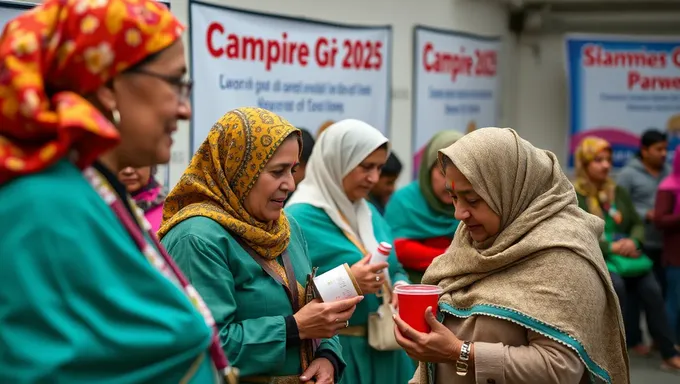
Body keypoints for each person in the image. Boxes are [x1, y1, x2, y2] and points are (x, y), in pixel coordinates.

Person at [0, 0, 235, 382]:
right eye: (175, 83)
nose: (185, 109)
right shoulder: (43, 206)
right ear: (109, 86)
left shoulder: (93, 192)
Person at [395, 128, 628, 384]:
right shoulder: (473, 241)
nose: (459, 214)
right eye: (454, 198)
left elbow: (560, 369)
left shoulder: (563, 256)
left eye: (472, 200)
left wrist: (458, 352)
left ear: (509, 189)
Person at [159, 107, 358, 384]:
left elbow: (311, 307)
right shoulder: (197, 239)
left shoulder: (285, 227)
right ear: (239, 169)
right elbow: (205, 345)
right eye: (277, 172)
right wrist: (294, 328)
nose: (289, 183)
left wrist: (327, 356)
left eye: (293, 170)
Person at [286, 119, 415, 384]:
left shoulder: (367, 212)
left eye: (379, 167)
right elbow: (289, 297)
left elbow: (395, 266)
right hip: (340, 355)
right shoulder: (297, 218)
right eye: (365, 167)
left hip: (388, 350)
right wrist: (350, 282)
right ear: (337, 161)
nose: (374, 178)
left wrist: (400, 286)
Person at [573, 136, 680, 372]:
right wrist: (609, 248)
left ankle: (669, 352)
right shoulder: (574, 195)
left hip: (628, 257)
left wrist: (634, 240)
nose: (606, 165)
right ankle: (609, 354)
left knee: (652, 291)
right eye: (598, 160)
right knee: (617, 287)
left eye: (609, 160)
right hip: (599, 259)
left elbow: (635, 222)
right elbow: (577, 232)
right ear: (584, 162)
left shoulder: (617, 192)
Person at [385, 131, 463, 283]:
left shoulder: (474, 201)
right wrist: (455, 259)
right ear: (428, 170)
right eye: (443, 173)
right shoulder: (404, 201)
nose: (450, 184)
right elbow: (396, 250)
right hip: (411, 289)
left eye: (460, 175)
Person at [655, 145, 680, 344]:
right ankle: (669, 347)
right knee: (674, 301)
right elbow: (660, 220)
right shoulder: (669, 186)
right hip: (675, 255)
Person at [118, 166, 167, 232]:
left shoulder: (169, 212)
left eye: (138, 161)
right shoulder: (102, 208)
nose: (128, 171)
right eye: (120, 161)